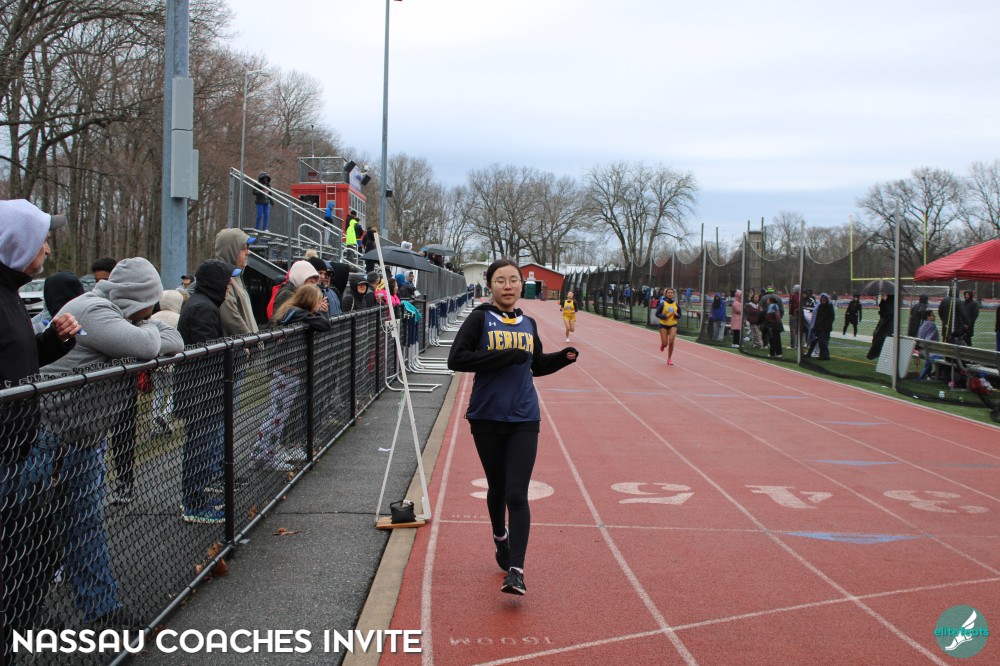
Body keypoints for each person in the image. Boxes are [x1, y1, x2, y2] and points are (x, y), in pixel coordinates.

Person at [40, 257, 182, 625]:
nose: (154, 311)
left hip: (82, 440)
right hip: (47, 438)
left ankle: (101, 609)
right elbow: (149, 345)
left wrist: (143, 329)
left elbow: (175, 339)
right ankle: (26, 613)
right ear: (140, 299)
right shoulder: (94, 310)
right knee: (32, 529)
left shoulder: (123, 315)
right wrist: (146, 331)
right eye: (150, 304)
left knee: (85, 525)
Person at [447, 259, 578, 596]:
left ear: (521, 285)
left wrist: (561, 359)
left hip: (524, 417)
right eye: (500, 280)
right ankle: (499, 536)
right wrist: (504, 356)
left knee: (517, 493)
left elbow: (535, 365)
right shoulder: (480, 318)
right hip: (486, 416)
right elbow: (456, 359)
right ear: (490, 285)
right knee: (498, 486)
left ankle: (516, 572)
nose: (508, 286)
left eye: (513, 280)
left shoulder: (528, 323)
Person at [1, 199, 80, 657]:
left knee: (34, 554)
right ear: (18, 243)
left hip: (19, 451)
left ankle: (19, 628)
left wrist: (52, 341)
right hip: (4, 457)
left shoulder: (10, 292)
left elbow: (18, 360)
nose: (48, 248)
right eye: (42, 240)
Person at [176, 259, 242, 523]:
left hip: (204, 390)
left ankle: (198, 497)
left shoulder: (204, 304)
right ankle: (194, 503)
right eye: (226, 281)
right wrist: (235, 353)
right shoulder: (202, 307)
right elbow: (208, 352)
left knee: (204, 446)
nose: (228, 287)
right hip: (201, 392)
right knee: (200, 448)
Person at [254, 284, 333, 471]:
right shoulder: (297, 313)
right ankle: (264, 455)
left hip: (288, 370)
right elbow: (325, 325)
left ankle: (266, 453)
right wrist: (322, 312)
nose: (320, 304)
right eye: (318, 301)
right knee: (277, 415)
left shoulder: (293, 312)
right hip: (285, 371)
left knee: (279, 414)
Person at [148, 290, 185, 438]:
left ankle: (154, 421)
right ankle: (165, 414)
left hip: (156, 360)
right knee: (174, 389)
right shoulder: (179, 318)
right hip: (173, 359)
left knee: (159, 391)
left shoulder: (153, 317)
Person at [214, 229, 259, 337]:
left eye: (248, 248)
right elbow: (231, 319)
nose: (248, 252)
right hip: (243, 345)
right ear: (232, 251)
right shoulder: (222, 278)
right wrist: (252, 341)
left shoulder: (236, 276)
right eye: (244, 248)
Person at [805, 293, 835, 360]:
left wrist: (827, 325)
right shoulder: (819, 306)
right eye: (822, 300)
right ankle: (816, 354)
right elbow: (817, 317)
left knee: (823, 342)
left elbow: (831, 317)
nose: (823, 301)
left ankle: (825, 355)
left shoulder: (829, 306)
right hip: (818, 327)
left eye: (824, 300)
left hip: (825, 328)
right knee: (817, 341)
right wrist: (815, 326)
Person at [656, 288, 682, 365]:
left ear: (673, 294)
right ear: (666, 294)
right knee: (665, 343)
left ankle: (669, 359)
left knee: (671, 341)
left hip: (673, 324)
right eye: (669, 293)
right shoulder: (662, 303)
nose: (670, 294)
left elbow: (680, 315)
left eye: (671, 293)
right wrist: (665, 316)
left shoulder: (676, 304)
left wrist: (676, 315)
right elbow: (657, 314)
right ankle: (663, 345)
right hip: (663, 325)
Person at [866, 294, 894, 360]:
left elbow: (886, 311)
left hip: (887, 320)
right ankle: (875, 354)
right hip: (887, 320)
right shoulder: (889, 301)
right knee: (881, 336)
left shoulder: (889, 301)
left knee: (880, 336)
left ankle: (874, 354)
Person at [916, 311, 942, 380]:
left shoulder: (922, 324)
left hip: (921, 350)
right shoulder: (931, 324)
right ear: (928, 317)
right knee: (942, 356)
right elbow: (929, 340)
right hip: (928, 351)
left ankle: (928, 374)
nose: (934, 317)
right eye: (932, 315)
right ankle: (936, 374)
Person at [788, 285, 801, 349]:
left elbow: (796, 304)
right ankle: (797, 344)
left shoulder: (795, 296)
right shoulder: (800, 296)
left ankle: (793, 345)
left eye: (794, 288)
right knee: (797, 330)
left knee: (793, 330)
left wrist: (795, 311)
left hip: (794, 314)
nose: (793, 289)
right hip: (798, 315)